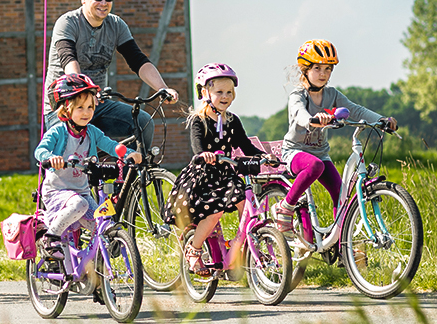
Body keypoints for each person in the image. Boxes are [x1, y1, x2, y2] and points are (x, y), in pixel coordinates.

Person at [272, 39, 396, 233]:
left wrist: (382, 120)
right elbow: (299, 114)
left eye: (328, 69)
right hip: (295, 152)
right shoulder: (298, 95)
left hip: (321, 153)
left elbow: (356, 110)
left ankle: (340, 244)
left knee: (341, 195)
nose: (323, 74)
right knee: (314, 166)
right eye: (317, 68)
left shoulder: (332, 94)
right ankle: (285, 207)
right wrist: (313, 119)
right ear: (305, 69)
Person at [43, 0, 178, 151]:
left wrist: (162, 88)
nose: (104, 3)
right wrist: (87, 91)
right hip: (65, 108)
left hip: (99, 105)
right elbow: (69, 61)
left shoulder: (116, 25)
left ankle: (130, 173)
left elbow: (138, 61)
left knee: (144, 123)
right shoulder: (68, 23)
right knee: (73, 161)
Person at [163, 63, 266, 275]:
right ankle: (194, 250)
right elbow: (197, 145)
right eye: (219, 92)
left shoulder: (232, 120)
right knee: (214, 212)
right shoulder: (198, 120)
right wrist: (204, 155)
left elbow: (245, 145)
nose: (225, 96)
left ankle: (247, 246)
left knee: (245, 202)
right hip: (204, 176)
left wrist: (264, 156)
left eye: (229, 92)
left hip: (227, 175)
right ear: (205, 93)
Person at [34, 73, 142, 269]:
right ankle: (51, 237)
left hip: (82, 192)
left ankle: (91, 274)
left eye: (90, 107)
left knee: (102, 225)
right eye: (80, 108)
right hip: (57, 192)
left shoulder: (92, 132)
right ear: (67, 110)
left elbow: (110, 145)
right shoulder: (58, 131)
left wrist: (129, 153)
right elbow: (40, 150)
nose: (86, 112)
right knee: (79, 205)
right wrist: (51, 158)